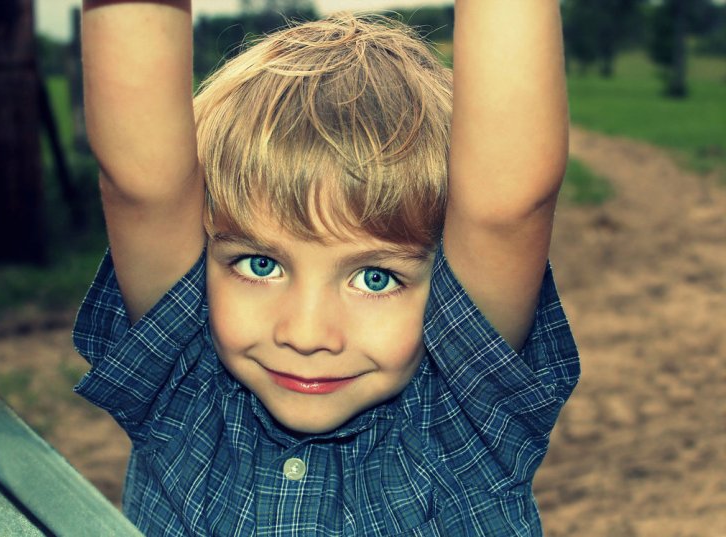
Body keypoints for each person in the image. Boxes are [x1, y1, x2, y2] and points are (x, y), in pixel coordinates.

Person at [73, 0, 579, 535]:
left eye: (374, 278)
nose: (307, 334)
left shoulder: (464, 421)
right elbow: (141, 184)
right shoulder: (184, 386)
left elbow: (508, 207)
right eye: (260, 264)